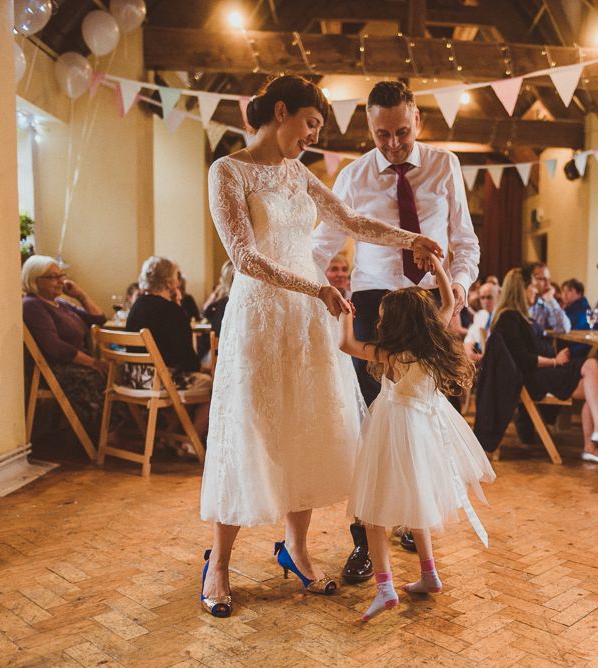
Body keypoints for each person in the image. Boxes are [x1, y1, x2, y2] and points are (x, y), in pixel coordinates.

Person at [200, 75, 442, 618]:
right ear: (281, 111)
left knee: (304, 427)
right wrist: (318, 286)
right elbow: (244, 257)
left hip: (307, 318)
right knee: (250, 427)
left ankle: (297, 549)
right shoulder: (228, 171)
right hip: (261, 316)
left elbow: (350, 220)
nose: (313, 135)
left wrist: (412, 240)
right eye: (311, 123)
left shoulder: (298, 174)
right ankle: (218, 561)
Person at [311, 80, 480, 582]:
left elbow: (464, 239)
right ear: (369, 127)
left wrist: (462, 287)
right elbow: (323, 244)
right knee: (372, 423)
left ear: (418, 122)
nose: (392, 144)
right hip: (371, 304)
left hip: (430, 304)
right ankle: (365, 540)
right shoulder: (353, 176)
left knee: (422, 422)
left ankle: (412, 520)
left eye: (401, 132)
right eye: (381, 134)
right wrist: (305, 287)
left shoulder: (445, 165)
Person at [339, 253, 494, 621]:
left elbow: (346, 344)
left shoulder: (389, 352)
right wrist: (439, 270)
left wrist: (347, 308)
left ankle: (385, 588)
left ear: (392, 324)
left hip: (393, 428)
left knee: (375, 513)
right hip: (425, 429)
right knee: (418, 502)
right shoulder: (431, 342)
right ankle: (429, 574)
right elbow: (452, 301)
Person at [492, 268, 598, 464]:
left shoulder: (520, 315)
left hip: (543, 371)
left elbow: (561, 329)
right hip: (532, 377)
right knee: (592, 366)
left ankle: (592, 445)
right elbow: (523, 360)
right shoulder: (508, 318)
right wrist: (555, 361)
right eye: (532, 287)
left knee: (595, 387)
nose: (535, 291)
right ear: (521, 290)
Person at [125, 256, 211, 448]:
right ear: (170, 283)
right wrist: (203, 369)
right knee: (215, 386)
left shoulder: (136, 306)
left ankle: (168, 437)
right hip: (157, 382)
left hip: (133, 377)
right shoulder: (171, 310)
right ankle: (190, 443)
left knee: (186, 384)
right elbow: (187, 361)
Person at [21, 255, 109, 436]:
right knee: (104, 376)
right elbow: (55, 347)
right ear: (34, 280)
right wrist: (93, 363)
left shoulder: (60, 303)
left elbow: (99, 319)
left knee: (117, 373)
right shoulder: (32, 305)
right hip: (57, 368)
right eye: (53, 277)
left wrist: (81, 295)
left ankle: (110, 436)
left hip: (76, 363)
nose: (61, 281)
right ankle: (104, 437)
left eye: (61, 275)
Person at [522, 262, 571, 333]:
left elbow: (564, 328)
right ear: (529, 280)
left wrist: (550, 299)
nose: (548, 284)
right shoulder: (518, 303)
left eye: (548, 280)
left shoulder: (545, 306)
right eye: (542, 279)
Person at [464, 282, 499, 363]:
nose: (486, 301)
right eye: (482, 298)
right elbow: (470, 336)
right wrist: (469, 350)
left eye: (489, 297)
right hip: (479, 358)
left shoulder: (502, 316)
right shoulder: (480, 315)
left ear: (498, 297)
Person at [561, 278, 591, 358]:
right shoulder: (568, 308)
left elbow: (570, 328)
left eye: (569, 290)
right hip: (570, 346)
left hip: (579, 349)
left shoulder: (583, 308)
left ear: (579, 294)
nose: (565, 294)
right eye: (563, 291)